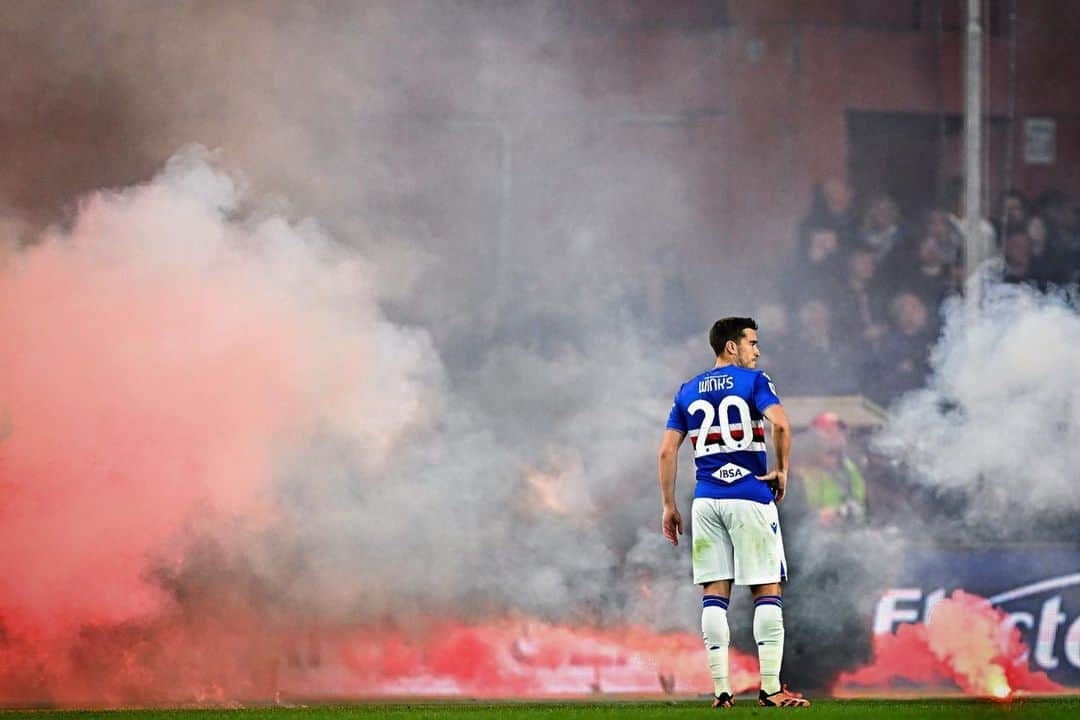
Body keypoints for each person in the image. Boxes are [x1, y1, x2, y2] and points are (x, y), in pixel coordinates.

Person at [657, 317, 810, 708]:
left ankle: (721, 691)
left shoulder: (686, 391)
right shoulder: (754, 382)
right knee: (766, 590)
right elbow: (781, 424)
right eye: (752, 343)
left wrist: (669, 505)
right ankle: (771, 690)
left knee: (714, 594)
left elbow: (667, 451)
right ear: (731, 347)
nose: (757, 352)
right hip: (748, 494)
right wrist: (782, 468)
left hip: (706, 500)